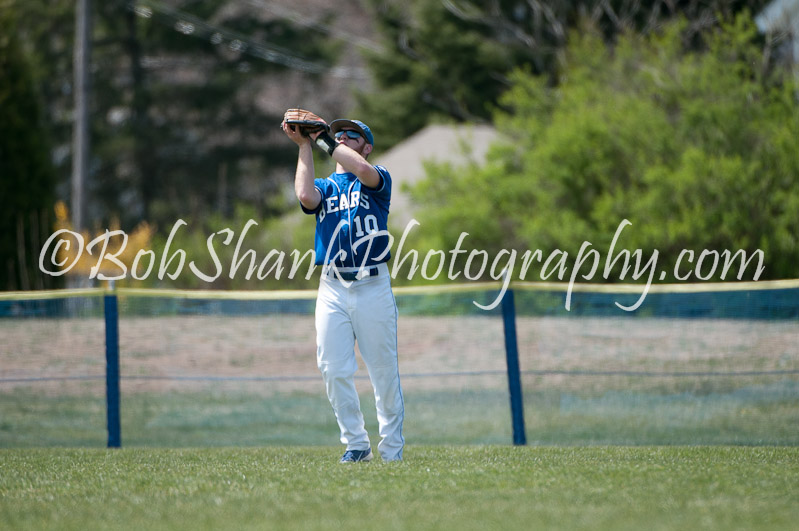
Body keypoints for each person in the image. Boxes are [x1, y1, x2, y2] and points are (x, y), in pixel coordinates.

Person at [282, 110, 405, 463]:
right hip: (332, 287)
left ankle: (392, 452)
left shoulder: (377, 178)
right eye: (340, 135)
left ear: (366, 147)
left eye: (352, 136)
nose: (343, 138)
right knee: (332, 368)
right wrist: (304, 144)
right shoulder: (326, 187)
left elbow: (363, 171)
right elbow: (305, 196)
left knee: (382, 372)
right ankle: (356, 444)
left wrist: (323, 139)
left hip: (373, 285)